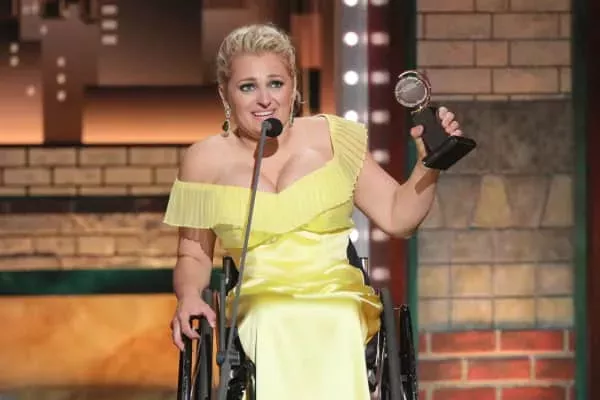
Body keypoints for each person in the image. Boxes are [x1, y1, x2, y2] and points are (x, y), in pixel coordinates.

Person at [163, 23, 462, 400]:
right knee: (272, 315)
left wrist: (429, 165)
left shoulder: (334, 137)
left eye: (275, 83)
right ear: (225, 94)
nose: (264, 99)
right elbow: (193, 254)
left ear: (294, 87)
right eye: (247, 87)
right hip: (260, 295)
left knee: (337, 315)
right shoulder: (203, 160)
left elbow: (398, 217)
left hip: (338, 290)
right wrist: (189, 295)